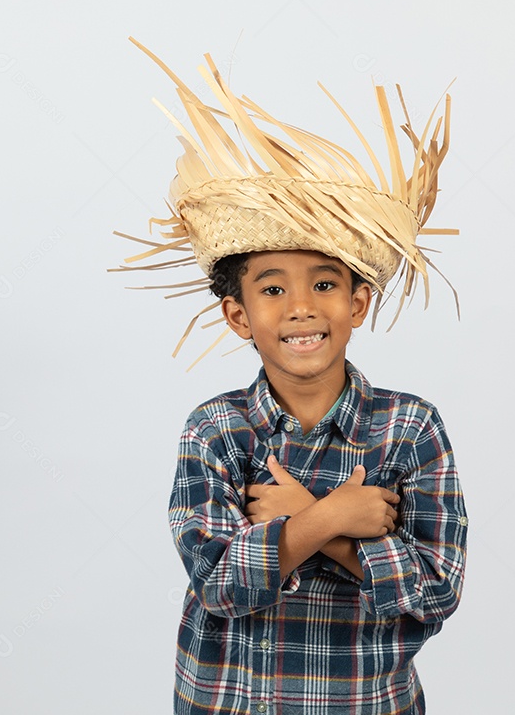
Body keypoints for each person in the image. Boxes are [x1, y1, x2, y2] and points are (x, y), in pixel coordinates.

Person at [114, 36, 469, 715]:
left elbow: (432, 594)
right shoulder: (216, 429)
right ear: (238, 315)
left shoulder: (410, 428)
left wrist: (301, 520)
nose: (302, 307)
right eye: (272, 290)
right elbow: (220, 585)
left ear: (358, 302)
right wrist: (337, 517)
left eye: (326, 283)